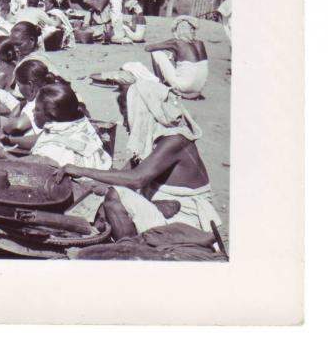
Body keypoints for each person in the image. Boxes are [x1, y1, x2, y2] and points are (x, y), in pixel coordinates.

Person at [55, 66, 221, 238]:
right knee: (105, 195)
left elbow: (136, 179)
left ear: (142, 113)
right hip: (169, 210)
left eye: (127, 116)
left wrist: (80, 170)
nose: (125, 123)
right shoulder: (152, 142)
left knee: (115, 197)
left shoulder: (175, 140)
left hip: (187, 219)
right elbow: (123, 175)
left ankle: (130, 249)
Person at [15, 81, 112, 170]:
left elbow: (34, 166)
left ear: (50, 115)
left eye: (37, 109)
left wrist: (6, 157)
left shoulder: (51, 149)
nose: (33, 112)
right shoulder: (80, 126)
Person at [145, 16, 209, 98]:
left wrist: (168, 47)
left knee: (156, 52)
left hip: (185, 86)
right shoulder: (200, 43)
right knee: (177, 56)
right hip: (199, 87)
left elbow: (148, 48)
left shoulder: (176, 42)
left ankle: (160, 86)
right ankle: (185, 88)